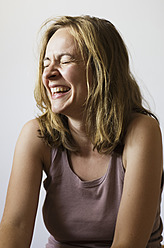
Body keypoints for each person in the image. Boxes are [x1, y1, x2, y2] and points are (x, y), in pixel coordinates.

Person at [0, 15, 163, 248]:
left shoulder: (141, 131)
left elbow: (127, 244)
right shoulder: (35, 135)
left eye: (64, 61)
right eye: (45, 64)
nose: (48, 75)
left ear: (101, 69)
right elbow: (15, 228)